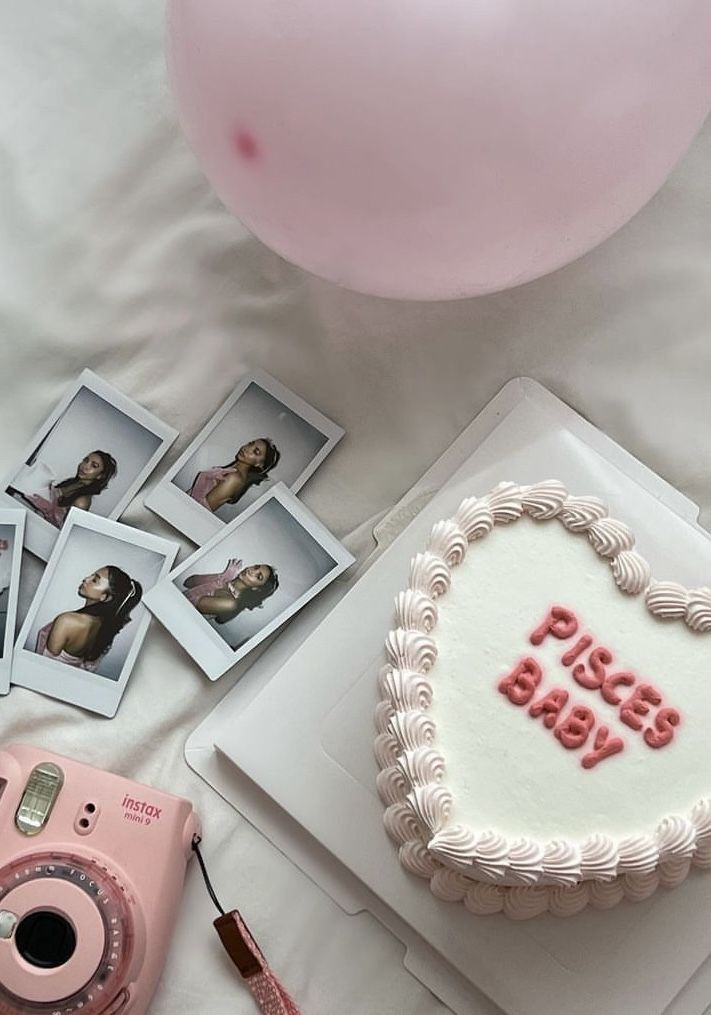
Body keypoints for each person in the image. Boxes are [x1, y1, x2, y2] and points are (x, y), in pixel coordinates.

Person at [35, 565, 142, 671]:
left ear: (104, 597)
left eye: (95, 580)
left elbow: (43, 664)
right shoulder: (105, 626)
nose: (86, 579)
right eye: (91, 576)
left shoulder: (67, 621)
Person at [23, 450, 118, 529]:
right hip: (34, 521)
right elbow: (53, 496)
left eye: (94, 466)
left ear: (100, 476)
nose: (85, 466)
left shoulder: (82, 502)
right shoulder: (73, 482)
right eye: (86, 460)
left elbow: (62, 530)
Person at [188, 438, 280, 513]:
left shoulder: (235, 478)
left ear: (259, 464)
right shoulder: (232, 471)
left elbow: (201, 510)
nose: (247, 449)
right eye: (250, 444)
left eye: (256, 452)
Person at [182, 558, 278, 623]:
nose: (251, 571)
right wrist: (221, 577)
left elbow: (189, 602)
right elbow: (188, 582)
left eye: (258, 576)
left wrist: (220, 581)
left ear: (256, 588)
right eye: (256, 567)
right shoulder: (226, 581)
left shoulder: (230, 603)